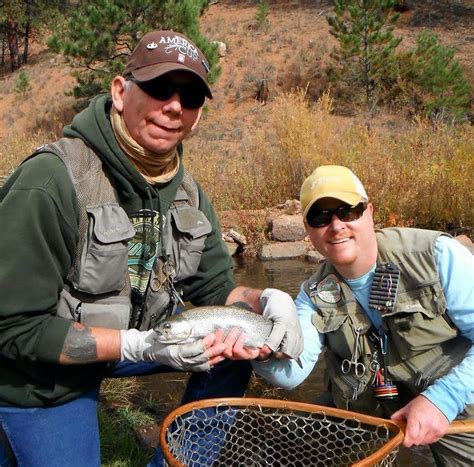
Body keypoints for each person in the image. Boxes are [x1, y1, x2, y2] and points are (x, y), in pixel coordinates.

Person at [0, 30, 303, 466]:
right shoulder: (50, 182)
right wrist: (137, 346)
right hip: (39, 374)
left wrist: (266, 301)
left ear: (197, 116)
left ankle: (176, 460)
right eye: (160, 88)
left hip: (143, 340)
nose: (174, 106)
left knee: (233, 351)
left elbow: (216, 286)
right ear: (120, 92)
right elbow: (13, 328)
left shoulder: (189, 193)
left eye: (191, 96)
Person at [253, 165, 473, 466]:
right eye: (320, 217)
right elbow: (295, 370)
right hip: (365, 405)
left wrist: (443, 399)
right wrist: (259, 354)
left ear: (369, 212)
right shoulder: (313, 293)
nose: (336, 225)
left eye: (347, 211)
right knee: (282, 448)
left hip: (457, 401)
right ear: (308, 230)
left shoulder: (436, 256)